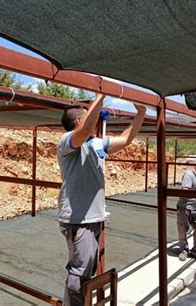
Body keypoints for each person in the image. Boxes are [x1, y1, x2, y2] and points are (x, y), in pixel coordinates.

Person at [57, 93, 146, 305]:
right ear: (79, 120)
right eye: (89, 115)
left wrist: (140, 113)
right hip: (78, 218)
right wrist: (101, 94)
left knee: (87, 268)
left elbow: (126, 139)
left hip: (93, 218)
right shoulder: (66, 142)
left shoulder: (96, 144)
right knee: (80, 272)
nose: (93, 118)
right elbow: (86, 129)